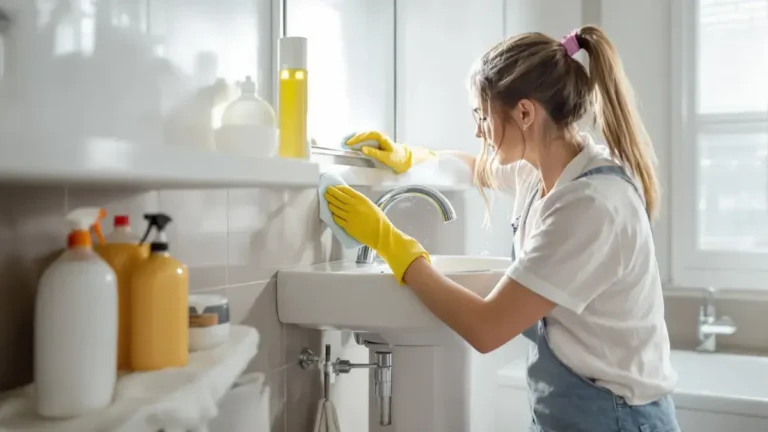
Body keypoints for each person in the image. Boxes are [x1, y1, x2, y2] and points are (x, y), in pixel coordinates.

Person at [326, 26, 680, 432]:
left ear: (525, 113)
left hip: (616, 419)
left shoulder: (590, 206)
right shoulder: (548, 170)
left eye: (482, 115)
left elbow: (487, 327)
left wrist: (393, 244)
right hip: (575, 410)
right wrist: (410, 159)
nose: (478, 131)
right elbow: (478, 168)